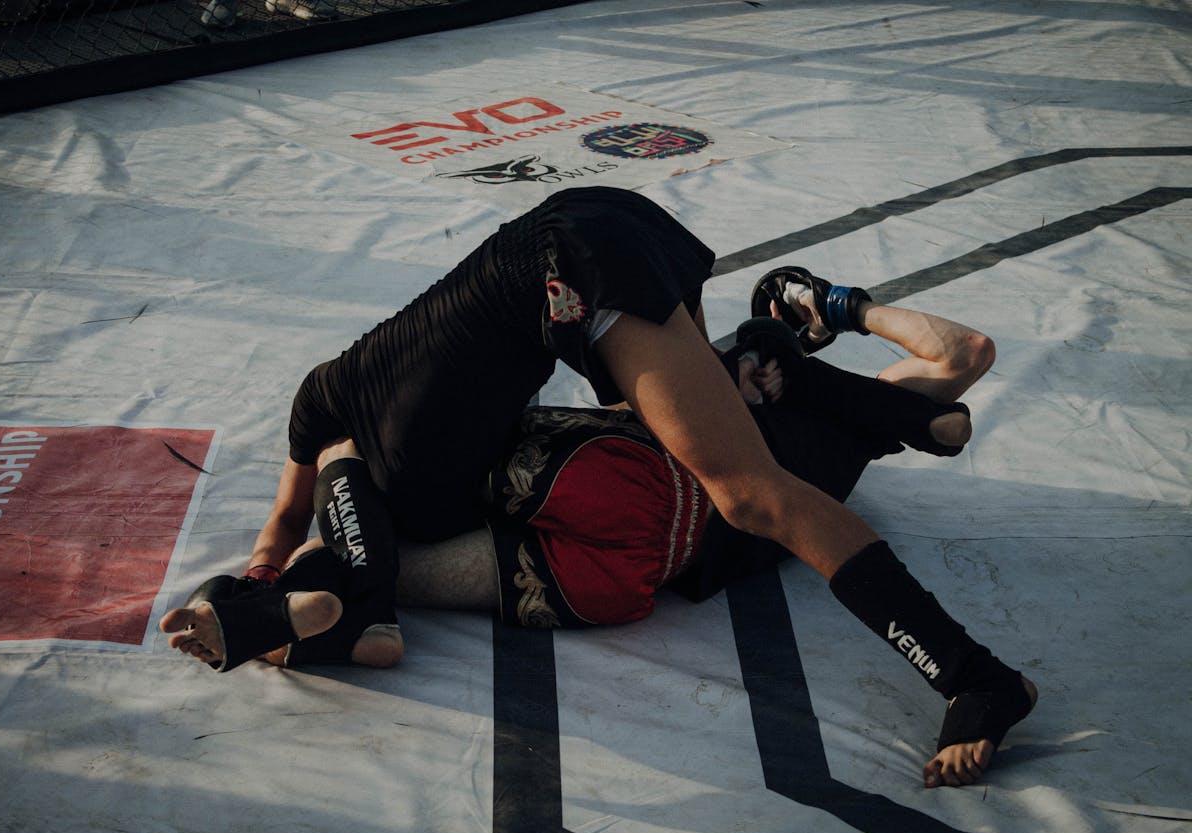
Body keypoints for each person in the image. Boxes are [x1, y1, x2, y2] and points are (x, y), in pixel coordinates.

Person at [162, 187, 1035, 788]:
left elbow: (283, 521)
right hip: (593, 221)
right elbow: (284, 518)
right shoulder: (331, 392)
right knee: (731, 478)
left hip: (574, 271)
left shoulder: (363, 448)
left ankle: (975, 672)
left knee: (749, 492)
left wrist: (276, 571)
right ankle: (316, 611)